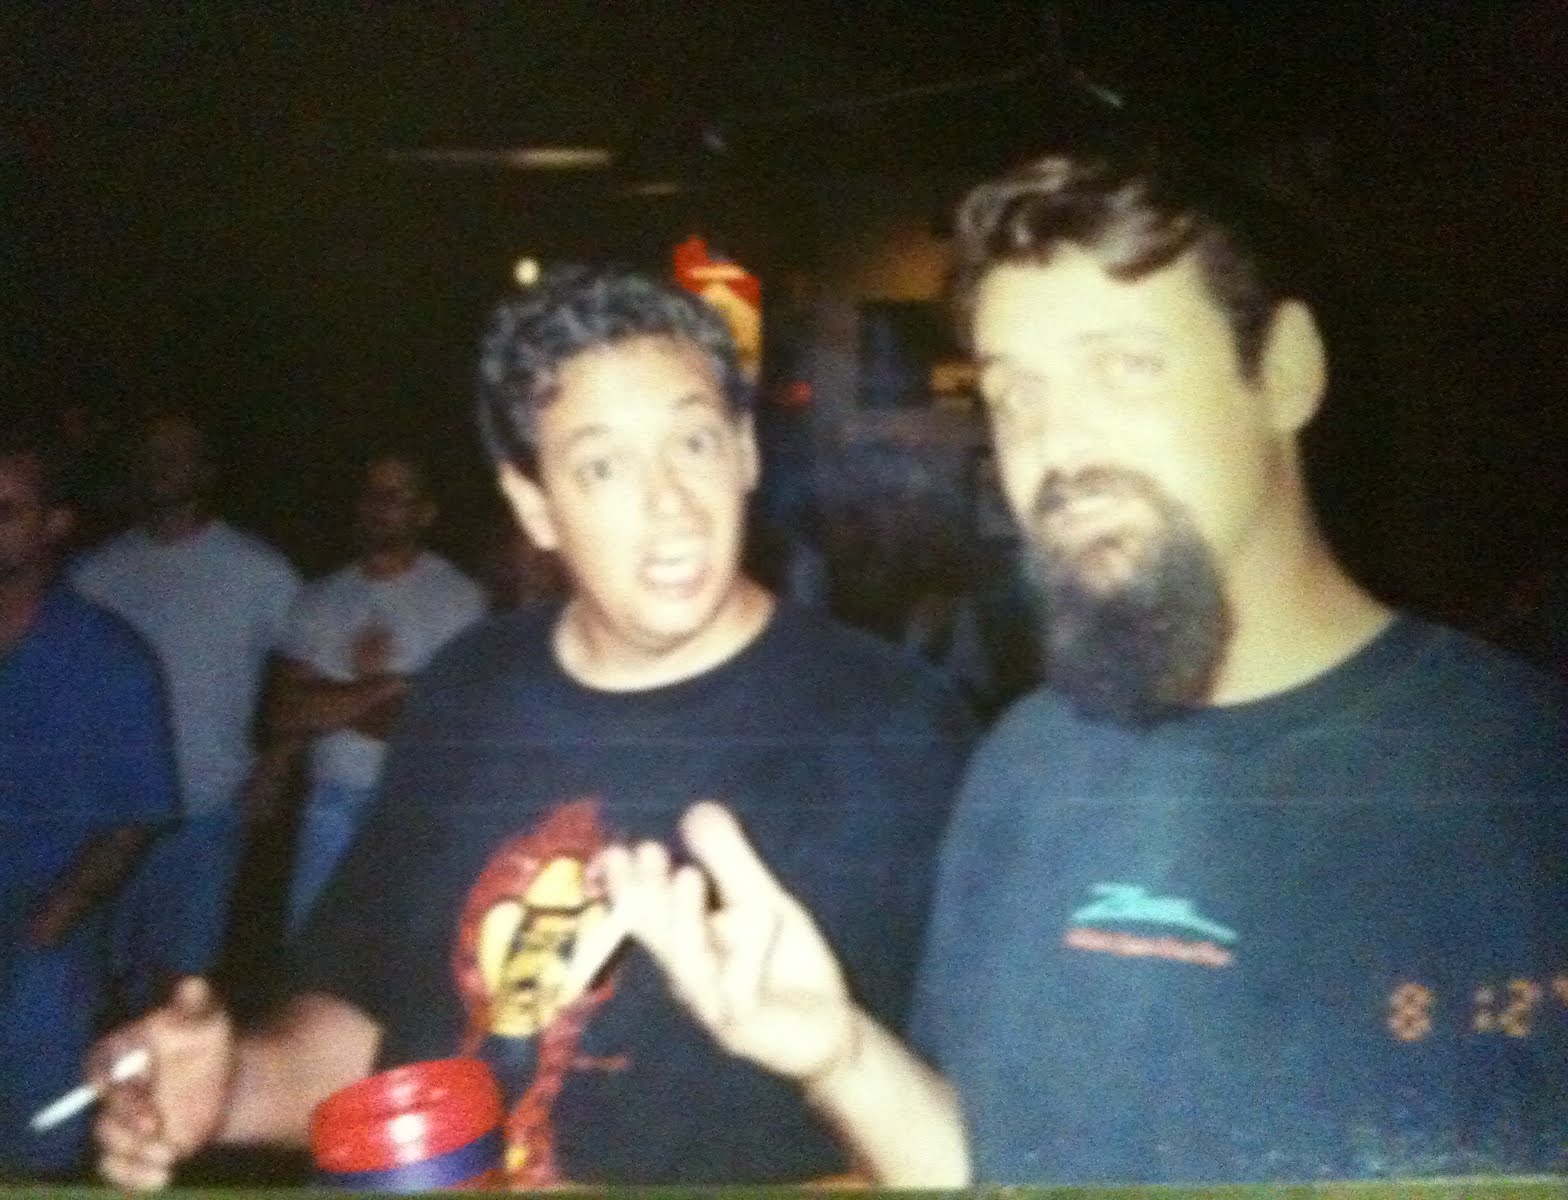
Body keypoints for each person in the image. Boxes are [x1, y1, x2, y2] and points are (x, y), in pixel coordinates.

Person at [594, 142, 1568, 1185]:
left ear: (1285, 372)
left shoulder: (1520, 781)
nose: (1057, 447)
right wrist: (843, 1059)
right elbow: (991, 1163)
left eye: (1124, 366)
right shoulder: (1025, 767)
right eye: (1016, 395)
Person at [91, 267, 974, 1188]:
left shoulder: (896, 726)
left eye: (694, 442)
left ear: (747, 451)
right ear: (535, 507)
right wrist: (232, 1089)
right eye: (603, 466)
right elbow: (369, 1024)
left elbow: (950, 1134)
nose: (670, 504)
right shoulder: (468, 689)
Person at [0, 438, 176, 1178]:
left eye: (4, 511)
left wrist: (48, 926)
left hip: (35, 950)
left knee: (24, 1149)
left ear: (56, 523)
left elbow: (136, 814)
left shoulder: (108, 654)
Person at [72, 411, 300, 997]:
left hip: (208, 806)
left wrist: (276, 766)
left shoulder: (259, 571)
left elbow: (297, 673)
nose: (163, 467)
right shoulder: (94, 574)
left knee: (180, 983)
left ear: (206, 470)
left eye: (178, 455)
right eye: (152, 454)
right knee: (94, 976)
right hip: (107, 810)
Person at [269, 448, 487, 935]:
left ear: (426, 512)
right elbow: (285, 712)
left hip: (415, 805)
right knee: (315, 952)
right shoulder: (319, 599)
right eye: (371, 493)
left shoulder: (458, 599)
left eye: (398, 495)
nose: (380, 505)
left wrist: (330, 698)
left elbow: (430, 729)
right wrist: (393, 684)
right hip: (330, 803)